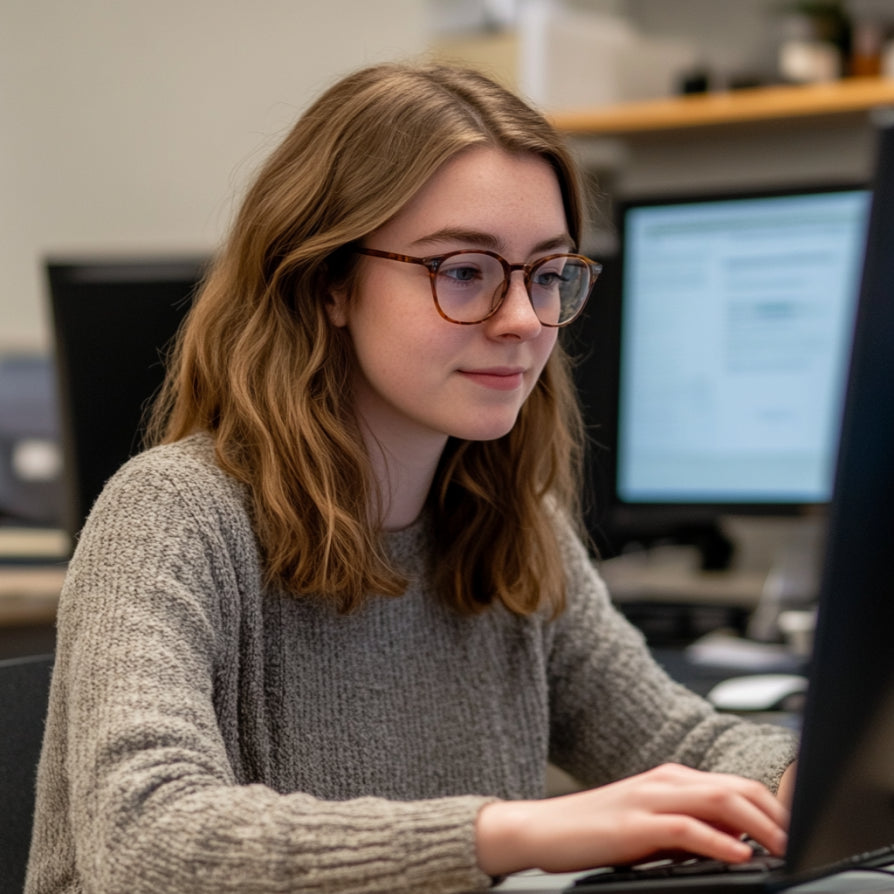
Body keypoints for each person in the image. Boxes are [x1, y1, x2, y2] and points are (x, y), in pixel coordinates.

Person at [26, 62, 797, 894]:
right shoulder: (170, 515)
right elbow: (147, 840)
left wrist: (815, 774)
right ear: (328, 283)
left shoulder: (510, 523)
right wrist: (514, 831)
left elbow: (689, 745)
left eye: (546, 274)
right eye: (464, 271)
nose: (523, 320)